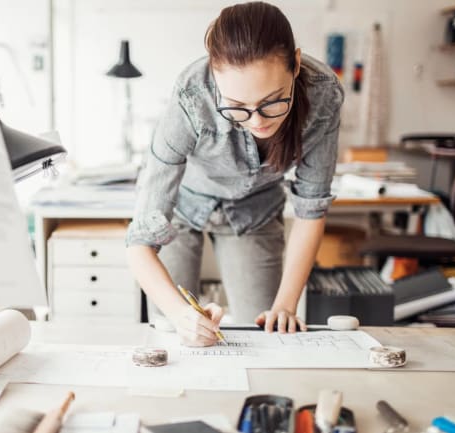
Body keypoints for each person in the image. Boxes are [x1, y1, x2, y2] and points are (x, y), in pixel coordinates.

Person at [126, 1, 344, 346]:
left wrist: (285, 307)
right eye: (237, 107)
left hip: (254, 211)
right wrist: (180, 315)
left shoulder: (323, 95)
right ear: (215, 80)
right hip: (181, 208)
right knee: (174, 332)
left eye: (273, 101)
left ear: (296, 64)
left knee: (264, 332)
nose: (257, 120)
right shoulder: (191, 96)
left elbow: (311, 209)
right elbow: (140, 243)